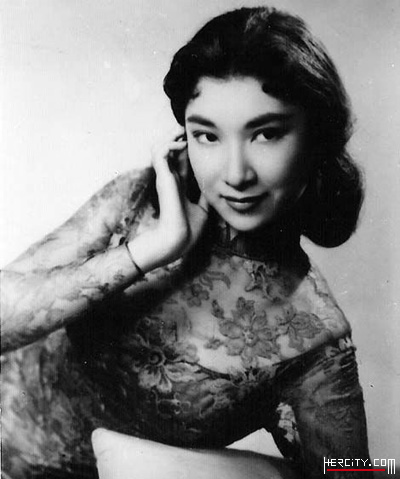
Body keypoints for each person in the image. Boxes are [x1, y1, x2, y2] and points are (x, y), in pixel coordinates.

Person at [1, 6, 370, 479]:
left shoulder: (314, 336)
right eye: (207, 136)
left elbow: (357, 473)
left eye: (266, 134)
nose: (235, 173)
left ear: (316, 139)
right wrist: (153, 249)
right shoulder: (139, 200)